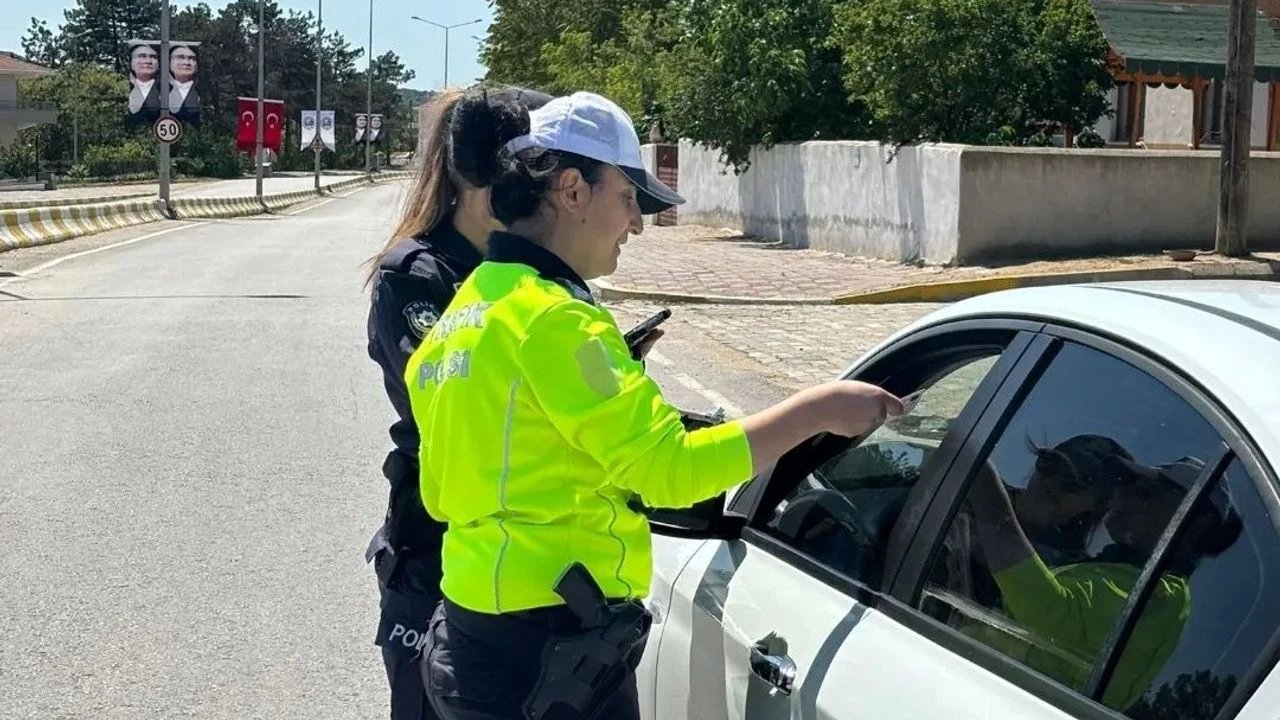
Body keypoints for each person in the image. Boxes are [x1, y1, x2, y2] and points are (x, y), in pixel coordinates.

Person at [404, 90, 904, 720]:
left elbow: (470, 478)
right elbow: (669, 472)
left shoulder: (471, 309)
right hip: (548, 645)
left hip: (478, 630)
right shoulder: (556, 322)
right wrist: (819, 410)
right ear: (571, 191)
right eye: (627, 197)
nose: (638, 222)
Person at [364, 85, 553, 720]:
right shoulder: (417, 276)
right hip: (437, 548)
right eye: (538, 168)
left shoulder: (528, 268)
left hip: (522, 550)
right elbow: (454, 406)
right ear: (483, 174)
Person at [964, 440, 1242, 710]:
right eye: (1128, 486)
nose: (1123, 495)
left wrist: (979, 475)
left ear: (1194, 526)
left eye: (1146, 493)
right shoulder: (1118, 573)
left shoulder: (1157, 597)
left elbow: (1047, 609)